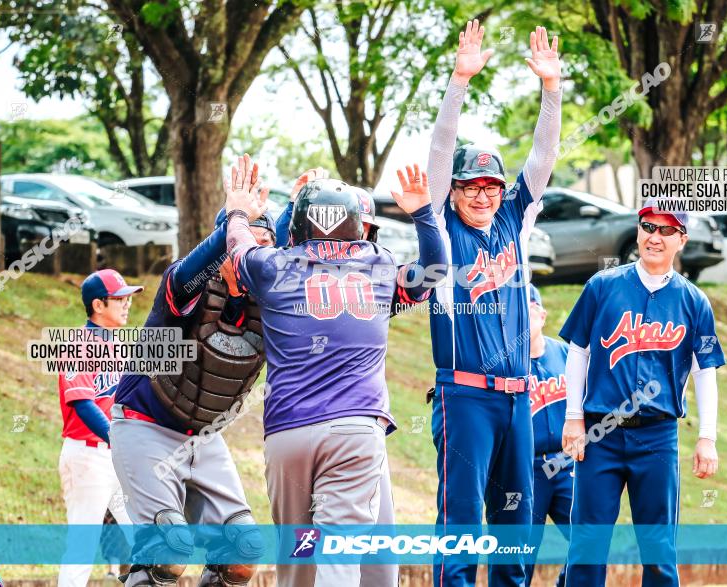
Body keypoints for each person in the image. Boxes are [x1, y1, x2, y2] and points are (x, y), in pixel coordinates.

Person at [224, 158, 446, 587]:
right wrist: (422, 214)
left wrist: (237, 210)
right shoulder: (378, 264)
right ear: (356, 226)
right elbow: (434, 269)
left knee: (299, 558)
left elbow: (239, 247)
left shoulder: (275, 267)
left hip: (288, 434)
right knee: (339, 560)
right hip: (353, 430)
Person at [425, 20, 562, 586]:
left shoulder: (514, 222)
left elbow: (543, 156)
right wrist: (459, 82)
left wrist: (551, 91)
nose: (481, 195)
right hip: (465, 395)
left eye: (490, 186)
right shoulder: (438, 225)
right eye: (470, 186)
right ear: (454, 192)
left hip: (520, 397)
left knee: (516, 524)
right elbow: (439, 150)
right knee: (461, 521)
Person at [110, 156, 273, 587]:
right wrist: (234, 219)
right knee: (168, 552)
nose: (248, 257)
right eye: (239, 247)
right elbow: (193, 269)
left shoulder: (272, 304)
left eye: (258, 250)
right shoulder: (186, 286)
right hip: (146, 426)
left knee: (242, 559)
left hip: (203, 436)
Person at [559, 199, 725, 586]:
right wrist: (572, 417)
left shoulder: (693, 301)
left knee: (659, 549)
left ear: (681, 240)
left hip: (657, 434)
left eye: (667, 230)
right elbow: (577, 354)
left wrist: (707, 438)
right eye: (649, 227)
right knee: (587, 544)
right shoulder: (603, 286)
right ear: (638, 231)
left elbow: (705, 373)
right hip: (601, 432)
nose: (656, 237)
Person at [57, 269, 140, 587]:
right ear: (98, 305)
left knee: (143, 538)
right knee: (82, 547)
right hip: (87, 457)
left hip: (115, 456)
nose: (127, 302)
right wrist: (118, 439)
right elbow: (82, 403)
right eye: (119, 298)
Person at [525, 285, 572, 587]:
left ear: (542, 315)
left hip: (567, 464)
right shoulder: (504, 363)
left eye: (529, 310)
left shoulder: (565, 353)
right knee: (520, 552)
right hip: (526, 468)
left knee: (591, 537)